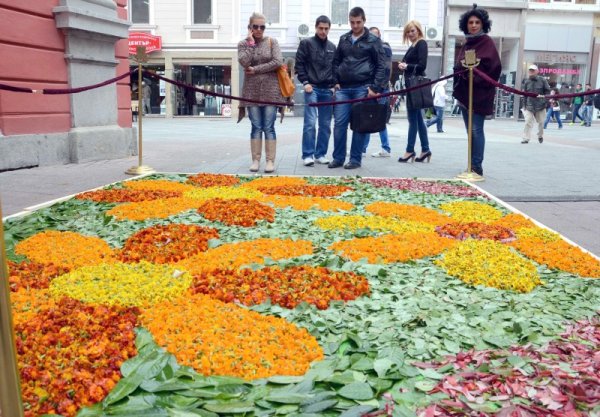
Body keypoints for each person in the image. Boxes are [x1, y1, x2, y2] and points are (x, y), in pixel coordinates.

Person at [328, 7, 386, 170]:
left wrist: (375, 87)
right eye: (352, 22)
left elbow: (381, 65)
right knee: (339, 123)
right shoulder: (344, 38)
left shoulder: (373, 40)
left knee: (360, 124)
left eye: (358, 22)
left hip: (363, 87)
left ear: (364, 20)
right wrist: (335, 81)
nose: (355, 25)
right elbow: (335, 61)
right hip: (344, 88)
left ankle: (355, 159)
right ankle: (338, 158)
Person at [453, 3, 502, 177]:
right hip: (465, 94)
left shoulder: (486, 42)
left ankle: (476, 167)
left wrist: (477, 77)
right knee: (469, 131)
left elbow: (495, 68)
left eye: (477, 22)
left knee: (476, 130)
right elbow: (460, 66)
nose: (473, 25)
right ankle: (471, 165)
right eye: (471, 22)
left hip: (480, 94)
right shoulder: (467, 43)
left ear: (483, 24)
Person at [238, 12, 284, 173]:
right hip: (251, 92)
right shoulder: (243, 44)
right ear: (249, 28)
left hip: (271, 91)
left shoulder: (272, 42)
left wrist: (256, 69)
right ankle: (255, 160)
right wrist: (250, 44)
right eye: (255, 26)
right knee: (256, 126)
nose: (259, 29)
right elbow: (244, 61)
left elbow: (278, 61)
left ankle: (270, 161)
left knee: (268, 127)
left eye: (262, 27)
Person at [295, 15, 336, 167]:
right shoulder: (306, 43)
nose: (323, 31)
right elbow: (299, 65)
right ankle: (308, 154)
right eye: (320, 28)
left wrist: (334, 85)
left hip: (327, 90)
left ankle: (321, 154)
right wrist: (305, 82)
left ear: (329, 29)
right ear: (316, 27)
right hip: (311, 88)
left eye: (326, 29)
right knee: (310, 123)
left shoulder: (332, 47)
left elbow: (335, 68)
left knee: (325, 124)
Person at [398, 20, 431, 163]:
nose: (410, 34)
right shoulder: (413, 45)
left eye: (413, 30)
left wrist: (406, 66)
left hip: (415, 84)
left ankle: (410, 150)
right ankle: (425, 149)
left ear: (418, 30)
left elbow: (422, 65)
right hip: (411, 84)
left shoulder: (421, 43)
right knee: (418, 119)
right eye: (408, 31)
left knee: (413, 119)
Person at [363, 26, 392, 158]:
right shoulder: (370, 48)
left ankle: (385, 148)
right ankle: (363, 149)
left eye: (375, 35)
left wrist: (379, 89)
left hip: (380, 90)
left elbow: (386, 70)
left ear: (379, 35)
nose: (373, 37)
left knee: (379, 119)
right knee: (367, 118)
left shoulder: (384, 47)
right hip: (372, 89)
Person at [521, 64, 551, 144]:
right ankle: (526, 138)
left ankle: (540, 135)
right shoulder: (527, 81)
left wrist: (545, 100)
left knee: (541, 123)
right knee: (528, 122)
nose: (531, 72)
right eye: (530, 70)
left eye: (533, 71)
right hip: (529, 105)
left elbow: (548, 91)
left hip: (540, 105)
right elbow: (525, 94)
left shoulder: (542, 80)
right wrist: (524, 105)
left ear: (537, 71)